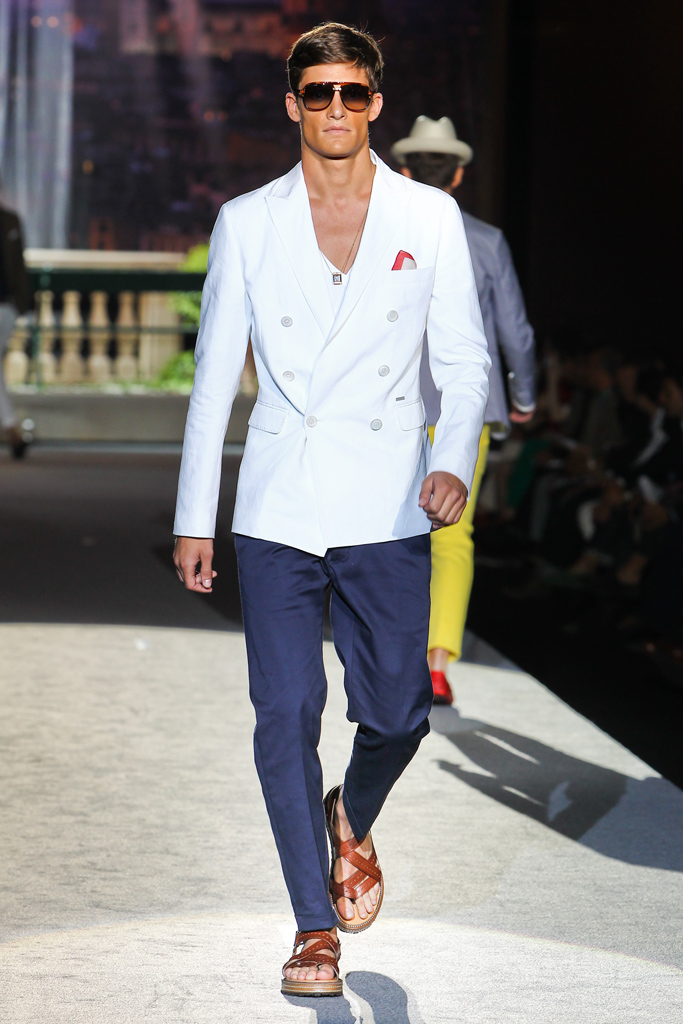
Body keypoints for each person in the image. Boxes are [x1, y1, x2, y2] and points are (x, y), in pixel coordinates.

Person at [173, 24, 490, 997]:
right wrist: (194, 515)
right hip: (278, 502)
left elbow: (463, 361)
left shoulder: (427, 217)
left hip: (387, 499)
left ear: (376, 103)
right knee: (284, 714)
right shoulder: (247, 221)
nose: (337, 109)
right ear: (293, 104)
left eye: (352, 92)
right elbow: (213, 375)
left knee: (398, 712)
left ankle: (348, 814)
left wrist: (450, 463)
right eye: (319, 92)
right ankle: (314, 927)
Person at [391, 116, 536, 705]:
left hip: (393, 401)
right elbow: (515, 331)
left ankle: (394, 651)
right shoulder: (486, 240)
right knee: (454, 533)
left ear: (404, 171)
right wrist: (523, 398)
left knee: (391, 527)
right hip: (464, 404)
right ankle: (436, 664)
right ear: (457, 175)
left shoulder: (380, 232)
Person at [0, 182, 32, 458]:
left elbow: (17, 267)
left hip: (4, 306)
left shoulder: (10, 221)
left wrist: (22, 305)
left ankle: (12, 428)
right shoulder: (10, 221)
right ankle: (12, 430)